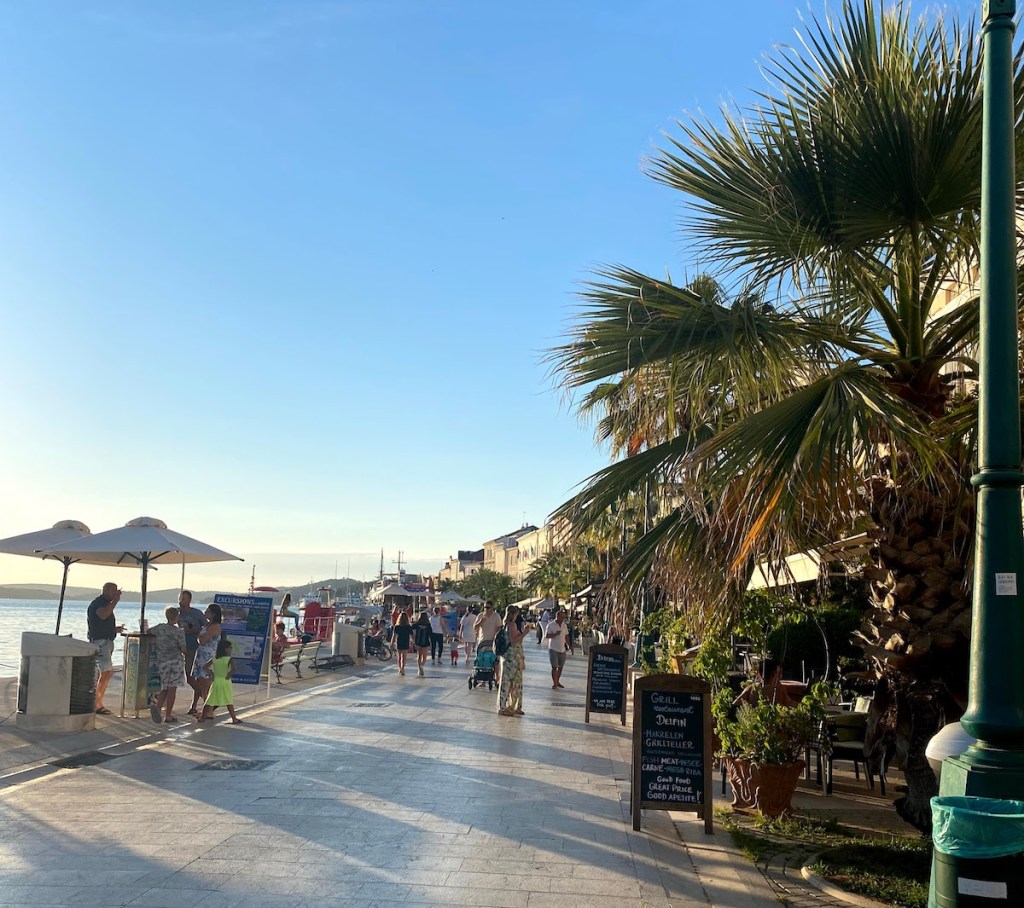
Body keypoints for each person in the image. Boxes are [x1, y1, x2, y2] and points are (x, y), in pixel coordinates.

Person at [87, 582, 124, 715]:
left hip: (106, 640)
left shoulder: (104, 603)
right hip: (101, 642)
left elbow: (101, 621)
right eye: (114, 591)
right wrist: (115, 601)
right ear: (107, 590)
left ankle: (96, 701)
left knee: (103, 672)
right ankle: (97, 703)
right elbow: (103, 614)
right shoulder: (99, 603)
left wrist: (113, 629)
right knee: (106, 672)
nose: (115, 594)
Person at [149, 606, 187, 723]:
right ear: (177, 617)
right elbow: (183, 649)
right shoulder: (179, 631)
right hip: (175, 661)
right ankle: (168, 715)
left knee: (165, 688)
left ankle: (158, 709)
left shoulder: (159, 628)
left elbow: (148, 631)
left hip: (163, 661)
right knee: (172, 689)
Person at [189, 603, 222, 717]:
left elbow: (203, 640)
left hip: (207, 656)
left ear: (213, 614)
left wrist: (198, 637)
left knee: (206, 683)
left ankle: (209, 710)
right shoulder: (208, 625)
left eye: (208, 611)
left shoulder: (215, 626)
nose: (205, 613)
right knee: (201, 683)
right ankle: (206, 709)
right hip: (201, 655)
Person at [199, 638, 241, 724]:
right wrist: (229, 674)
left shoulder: (215, 658)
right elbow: (234, 668)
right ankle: (234, 718)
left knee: (210, 700)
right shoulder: (229, 659)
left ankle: (202, 717)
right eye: (230, 647)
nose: (231, 649)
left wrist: (212, 673)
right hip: (225, 681)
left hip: (216, 680)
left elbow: (205, 667)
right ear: (225, 649)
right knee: (228, 700)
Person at [177, 590, 207, 709]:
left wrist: (196, 630)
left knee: (195, 678)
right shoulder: (177, 613)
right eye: (179, 599)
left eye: (183, 599)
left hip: (196, 647)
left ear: (189, 600)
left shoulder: (197, 613)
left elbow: (207, 627)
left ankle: (201, 702)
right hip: (184, 648)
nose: (181, 601)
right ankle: (204, 701)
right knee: (190, 677)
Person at [497, 605, 527, 717]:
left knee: (509, 682)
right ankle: (508, 707)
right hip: (512, 657)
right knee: (514, 683)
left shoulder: (505, 624)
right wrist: (525, 633)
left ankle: (510, 706)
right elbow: (514, 641)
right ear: (514, 614)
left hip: (509, 657)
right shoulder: (512, 625)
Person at [545, 609, 568, 689]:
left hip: (562, 649)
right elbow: (547, 636)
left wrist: (569, 645)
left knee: (560, 667)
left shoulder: (564, 625)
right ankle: (554, 683)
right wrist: (555, 634)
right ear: (557, 616)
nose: (563, 619)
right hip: (553, 648)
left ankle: (557, 681)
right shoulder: (551, 625)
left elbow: (566, 636)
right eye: (562, 617)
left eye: (564, 617)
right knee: (554, 667)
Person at [392, 612, 413, 676]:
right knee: (404, 656)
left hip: (399, 641)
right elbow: (412, 635)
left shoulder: (397, 626)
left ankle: (400, 668)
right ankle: (402, 668)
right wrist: (413, 641)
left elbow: (394, 636)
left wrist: (392, 643)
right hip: (405, 641)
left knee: (399, 656)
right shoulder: (408, 626)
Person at [413, 612, 432, 677]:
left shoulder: (416, 624)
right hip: (425, 641)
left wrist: (413, 639)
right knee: (424, 656)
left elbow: (412, 630)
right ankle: (422, 665)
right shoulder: (428, 625)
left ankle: (419, 668)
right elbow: (430, 634)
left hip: (418, 641)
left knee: (419, 655)